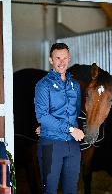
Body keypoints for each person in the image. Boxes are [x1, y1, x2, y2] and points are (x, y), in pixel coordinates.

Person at [34, 43, 84, 194]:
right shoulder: (43, 85)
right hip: (51, 144)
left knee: (71, 190)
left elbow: (77, 112)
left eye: (65, 58)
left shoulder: (75, 85)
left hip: (73, 146)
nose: (61, 62)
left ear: (69, 59)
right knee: (50, 190)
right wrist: (69, 129)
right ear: (51, 60)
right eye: (57, 58)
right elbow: (42, 115)